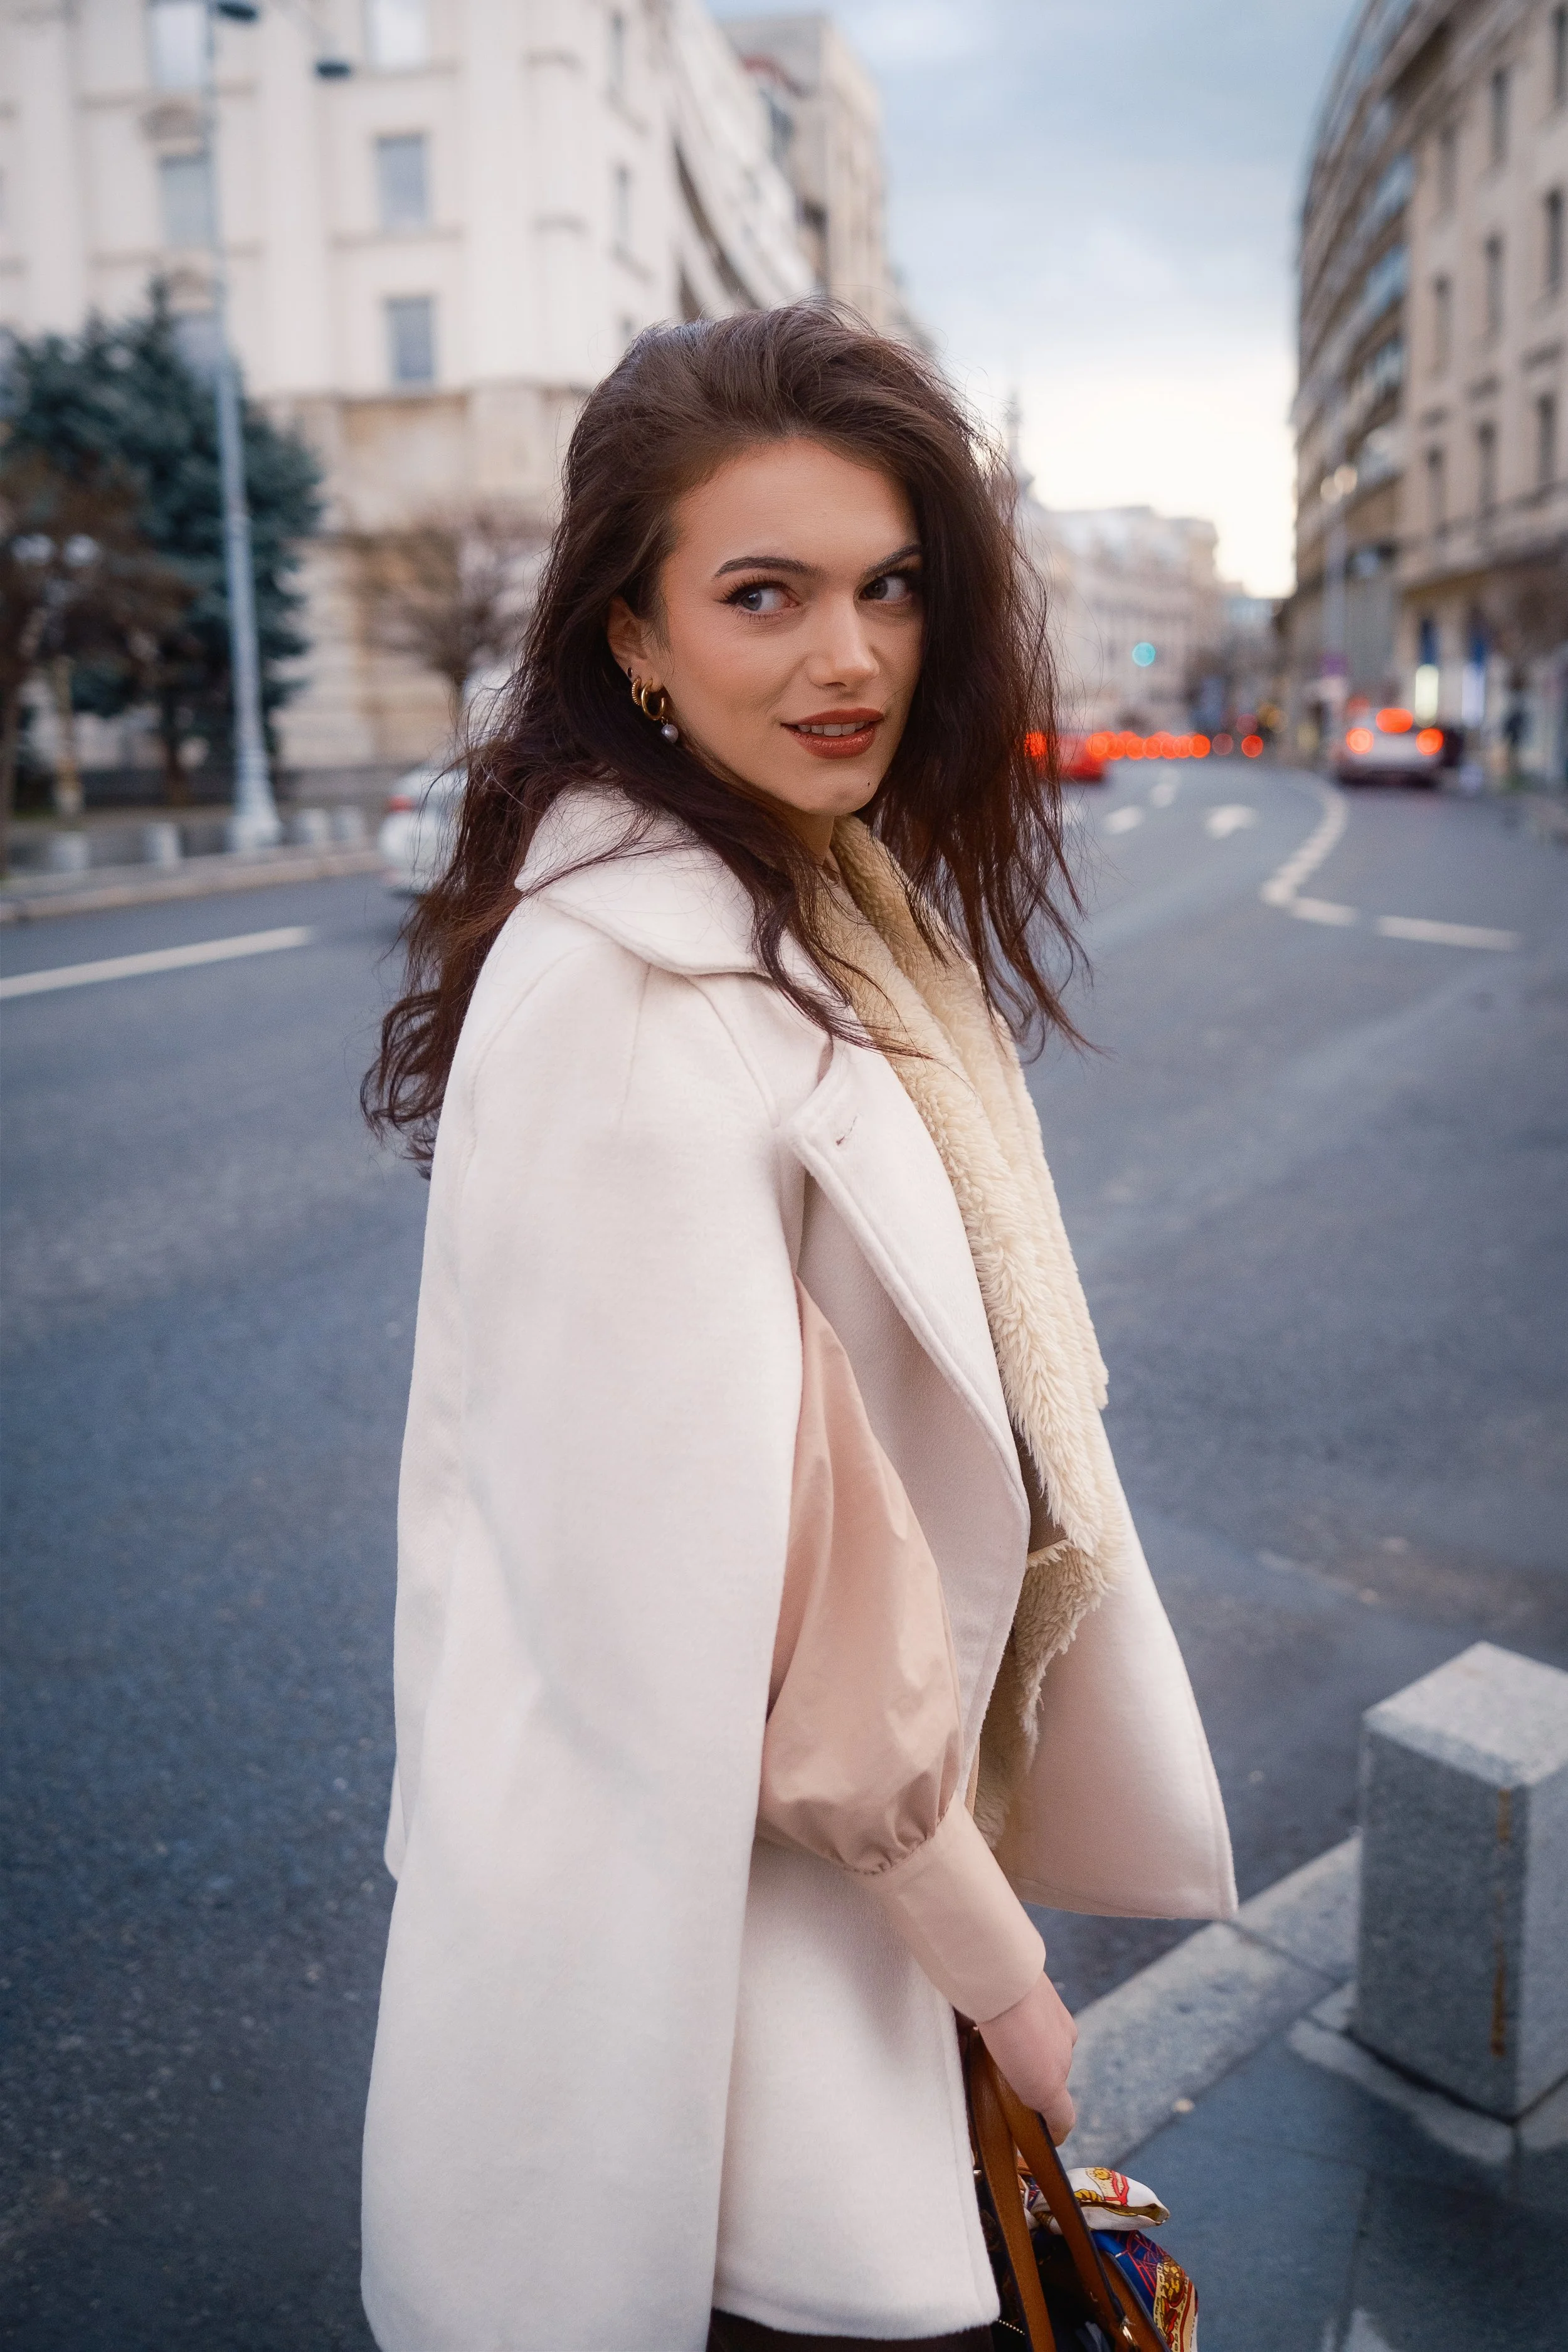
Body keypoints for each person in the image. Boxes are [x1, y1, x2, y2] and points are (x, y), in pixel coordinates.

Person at [359, 304, 1235, 2352]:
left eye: (887, 587)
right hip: (729, 1952)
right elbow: (741, 1595)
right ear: (634, 641)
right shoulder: (634, 991)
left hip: (815, 1903)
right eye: (763, 595)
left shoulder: (820, 904)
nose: (848, 657)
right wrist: (993, 1969)